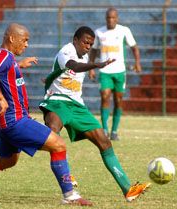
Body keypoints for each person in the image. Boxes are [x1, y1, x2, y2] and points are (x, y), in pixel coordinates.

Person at [0, 23, 92, 206]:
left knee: (8, 161)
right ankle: (70, 195)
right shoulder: (4, 56)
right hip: (15, 120)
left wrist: (18, 65)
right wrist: (0, 97)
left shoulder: (8, 59)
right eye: (25, 40)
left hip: (5, 123)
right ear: (11, 38)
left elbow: (3, 73)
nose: (27, 44)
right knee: (59, 145)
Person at [39, 26, 150, 202]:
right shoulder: (66, 51)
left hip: (77, 106)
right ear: (75, 39)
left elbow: (61, 72)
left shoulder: (83, 54)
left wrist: (49, 77)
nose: (88, 47)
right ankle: (66, 177)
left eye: (91, 44)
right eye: (85, 42)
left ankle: (128, 189)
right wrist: (96, 64)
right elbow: (73, 66)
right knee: (53, 132)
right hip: (57, 102)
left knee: (104, 141)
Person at [89, 7, 142, 140]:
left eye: (113, 18)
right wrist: (91, 67)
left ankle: (114, 131)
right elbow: (94, 50)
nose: (111, 20)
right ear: (105, 18)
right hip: (105, 71)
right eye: (108, 18)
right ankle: (105, 130)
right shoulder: (99, 32)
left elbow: (134, 47)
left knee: (118, 100)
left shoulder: (124, 31)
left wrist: (137, 63)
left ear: (117, 18)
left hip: (119, 72)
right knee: (105, 96)